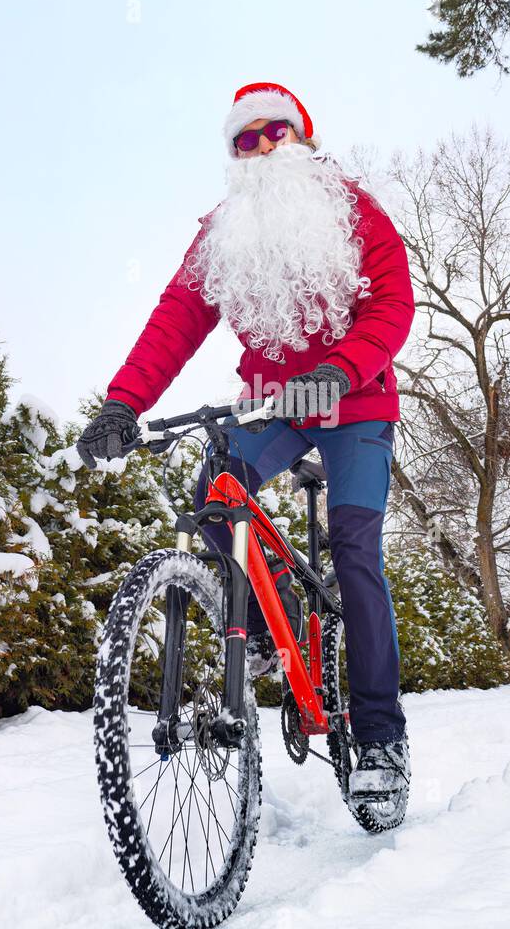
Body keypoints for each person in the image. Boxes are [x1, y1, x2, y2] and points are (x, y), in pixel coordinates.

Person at [76, 81, 415, 801]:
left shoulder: (351, 208)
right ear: (232, 154)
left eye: (274, 134)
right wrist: (121, 402)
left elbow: (392, 303)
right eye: (245, 139)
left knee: (356, 546)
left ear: (301, 138)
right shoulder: (223, 232)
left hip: (355, 400)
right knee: (213, 494)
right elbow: (174, 321)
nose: (261, 147)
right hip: (274, 406)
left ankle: (381, 736)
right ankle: (266, 620)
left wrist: (338, 368)